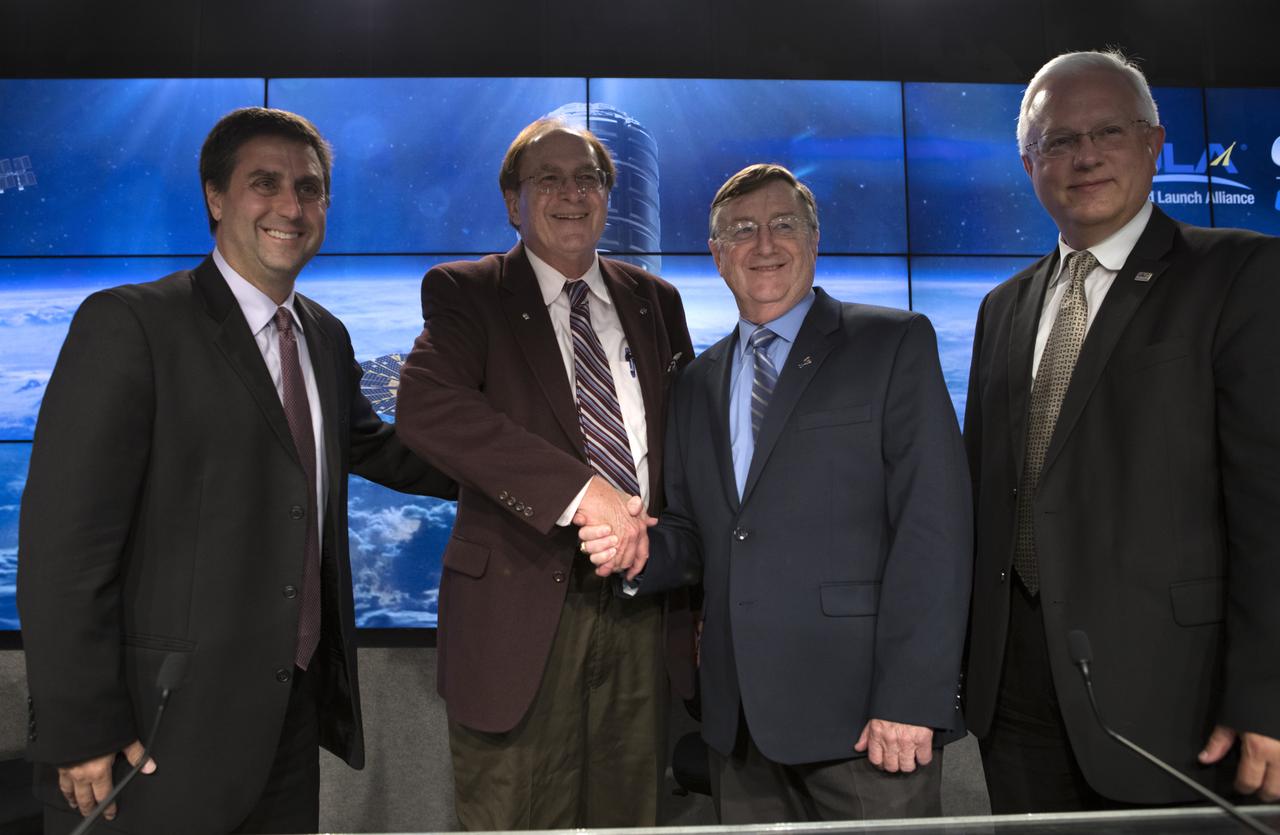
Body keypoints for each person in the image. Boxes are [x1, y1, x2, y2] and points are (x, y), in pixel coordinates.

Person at [17, 106, 455, 834]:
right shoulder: (130, 324)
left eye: (310, 188)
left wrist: (549, 478)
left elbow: (379, 447)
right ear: (215, 198)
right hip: (151, 733)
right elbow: (63, 547)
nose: (292, 206)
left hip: (288, 719)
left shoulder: (323, 334)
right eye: (265, 183)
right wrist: (80, 726)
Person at [580, 163, 972, 823]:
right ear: (717, 254)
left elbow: (936, 530)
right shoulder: (696, 382)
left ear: (815, 240)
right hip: (739, 727)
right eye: (742, 230)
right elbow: (695, 531)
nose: (763, 244)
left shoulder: (891, 342)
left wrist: (912, 698)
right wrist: (638, 548)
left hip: (866, 722)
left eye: (783, 225)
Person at [963, 49, 1280, 811]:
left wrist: (1268, 692)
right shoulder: (1001, 308)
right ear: (1029, 164)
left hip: (1179, 696)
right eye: (1059, 141)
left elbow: (1271, 502)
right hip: (1015, 699)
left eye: (1108, 130)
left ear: (1153, 142)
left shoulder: (1240, 274)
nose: (1086, 155)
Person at [392, 117, 694, 830]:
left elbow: (686, 450)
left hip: (643, 612)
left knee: (632, 815)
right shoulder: (470, 292)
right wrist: (584, 493)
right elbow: (428, 407)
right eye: (548, 179)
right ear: (512, 202)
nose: (571, 193)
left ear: (609, 195)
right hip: (520, 614)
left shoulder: (656, 301)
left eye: (588, 178)